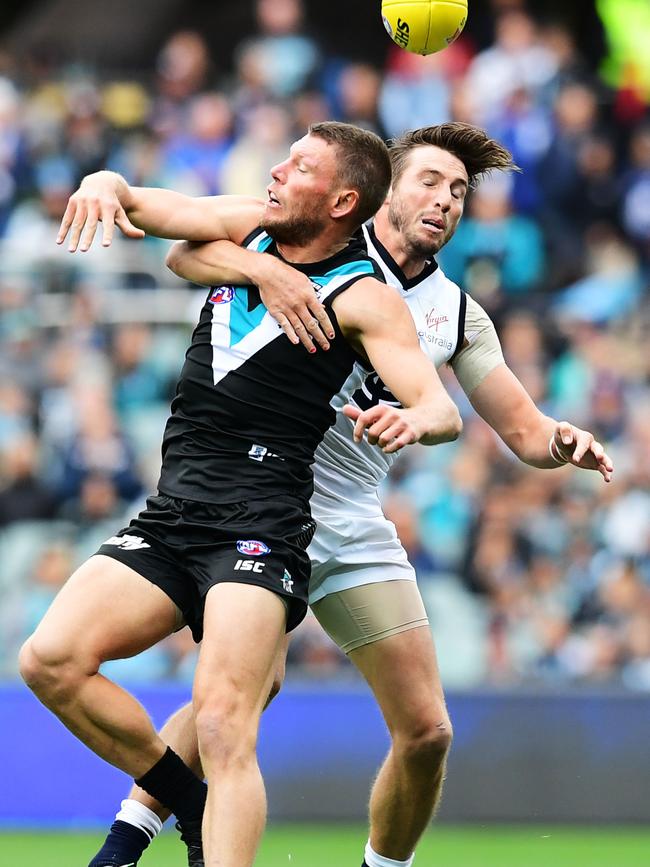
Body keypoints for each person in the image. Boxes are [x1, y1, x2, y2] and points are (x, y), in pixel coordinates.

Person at [72, 122, 614, 867]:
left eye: (459, 192)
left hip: (349, 520)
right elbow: (182, 248)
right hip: (257, 501)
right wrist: (270, 274)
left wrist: (562, 441)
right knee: (233, 703)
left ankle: (378, 866)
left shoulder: (454, 314)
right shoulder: (298, 233)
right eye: (430, 181)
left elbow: (519, 431)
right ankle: (126, 842)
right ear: (379, 191)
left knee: (427, 731)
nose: (447, 200)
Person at [19, 121, 463, 867]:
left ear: (342, 200)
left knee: (226, 722)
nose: (278, 171)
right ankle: (187, 803)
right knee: (48, 659)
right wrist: (104, 183)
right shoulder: (254, 231)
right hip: (175, 511)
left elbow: (443, 409)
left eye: (300, 166)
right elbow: (157, 218)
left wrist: (413, 418)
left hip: (261, 525)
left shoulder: (364, 295)